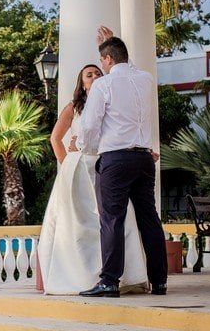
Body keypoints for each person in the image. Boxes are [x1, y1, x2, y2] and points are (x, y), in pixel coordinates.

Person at [36, 64, 148, 294]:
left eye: (98, 73)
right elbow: (55, 138)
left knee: (115, 221)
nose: (95, 76)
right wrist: (67, 163)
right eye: (89, 75)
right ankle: (78, 278)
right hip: (79, 170)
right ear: (83, 84)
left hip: (106, 166)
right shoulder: (73, 108)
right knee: (78, 225)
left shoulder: (110, 103)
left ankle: (120, 277)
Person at [76, 27, 169, 298]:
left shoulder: (104, 84)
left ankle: (109, 281)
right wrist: (111, 43)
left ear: (107, 60)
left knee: (111, 220)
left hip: (115, 159)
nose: (102, 67)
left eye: (102, 61)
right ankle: (159, 281)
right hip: (144, 159)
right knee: (149, 219)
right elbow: (129, 67)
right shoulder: (145, 79)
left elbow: (90, 125)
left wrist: (86, 148)